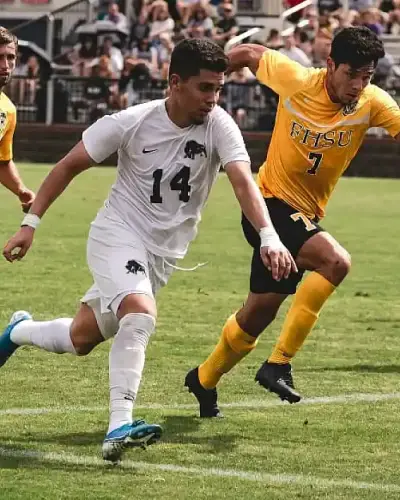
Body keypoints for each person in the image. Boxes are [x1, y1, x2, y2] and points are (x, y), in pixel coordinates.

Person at [1, 39, 296, 462]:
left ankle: (17, 331)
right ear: (174, 83)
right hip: (116, 234)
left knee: (80, 338)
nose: (212, 99)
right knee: (139, 314)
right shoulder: (131, 122)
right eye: (203, 88)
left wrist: (268, 234)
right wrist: (30, 224)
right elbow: (68, 165)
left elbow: (242, 180)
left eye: (218, 89)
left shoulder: (220, 125)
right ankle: (120, 425)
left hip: (162, 255)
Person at [185, 26, 400, 417]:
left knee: (256, 316)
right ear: (330, 64)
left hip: (303, 217)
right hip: (267, 206)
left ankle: (203, 378)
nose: (357, 85)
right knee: (335, 262)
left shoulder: (372, 103)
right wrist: (208, 80)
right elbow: (249, 53)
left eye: (366, 77)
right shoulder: (298, 80)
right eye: (350, 74)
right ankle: (279, 363)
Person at [0, 27, 35, 213]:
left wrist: (21, 190)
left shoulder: (8, 110)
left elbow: (2, 161)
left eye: (10, 57)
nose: (5, 65)